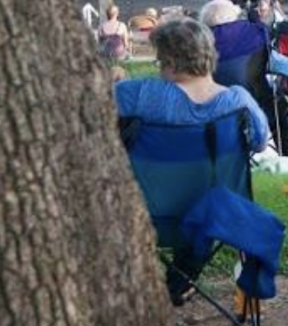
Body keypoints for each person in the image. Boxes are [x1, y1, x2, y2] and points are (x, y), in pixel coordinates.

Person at [117, 16, 273, 303]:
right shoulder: (238, 102)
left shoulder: (138, 95)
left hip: (144, 216)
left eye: (160, 61)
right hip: (214, 219)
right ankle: (181, 277)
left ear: (171, 62)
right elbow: (260, 142)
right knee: (204, 197)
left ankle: (174, 281)